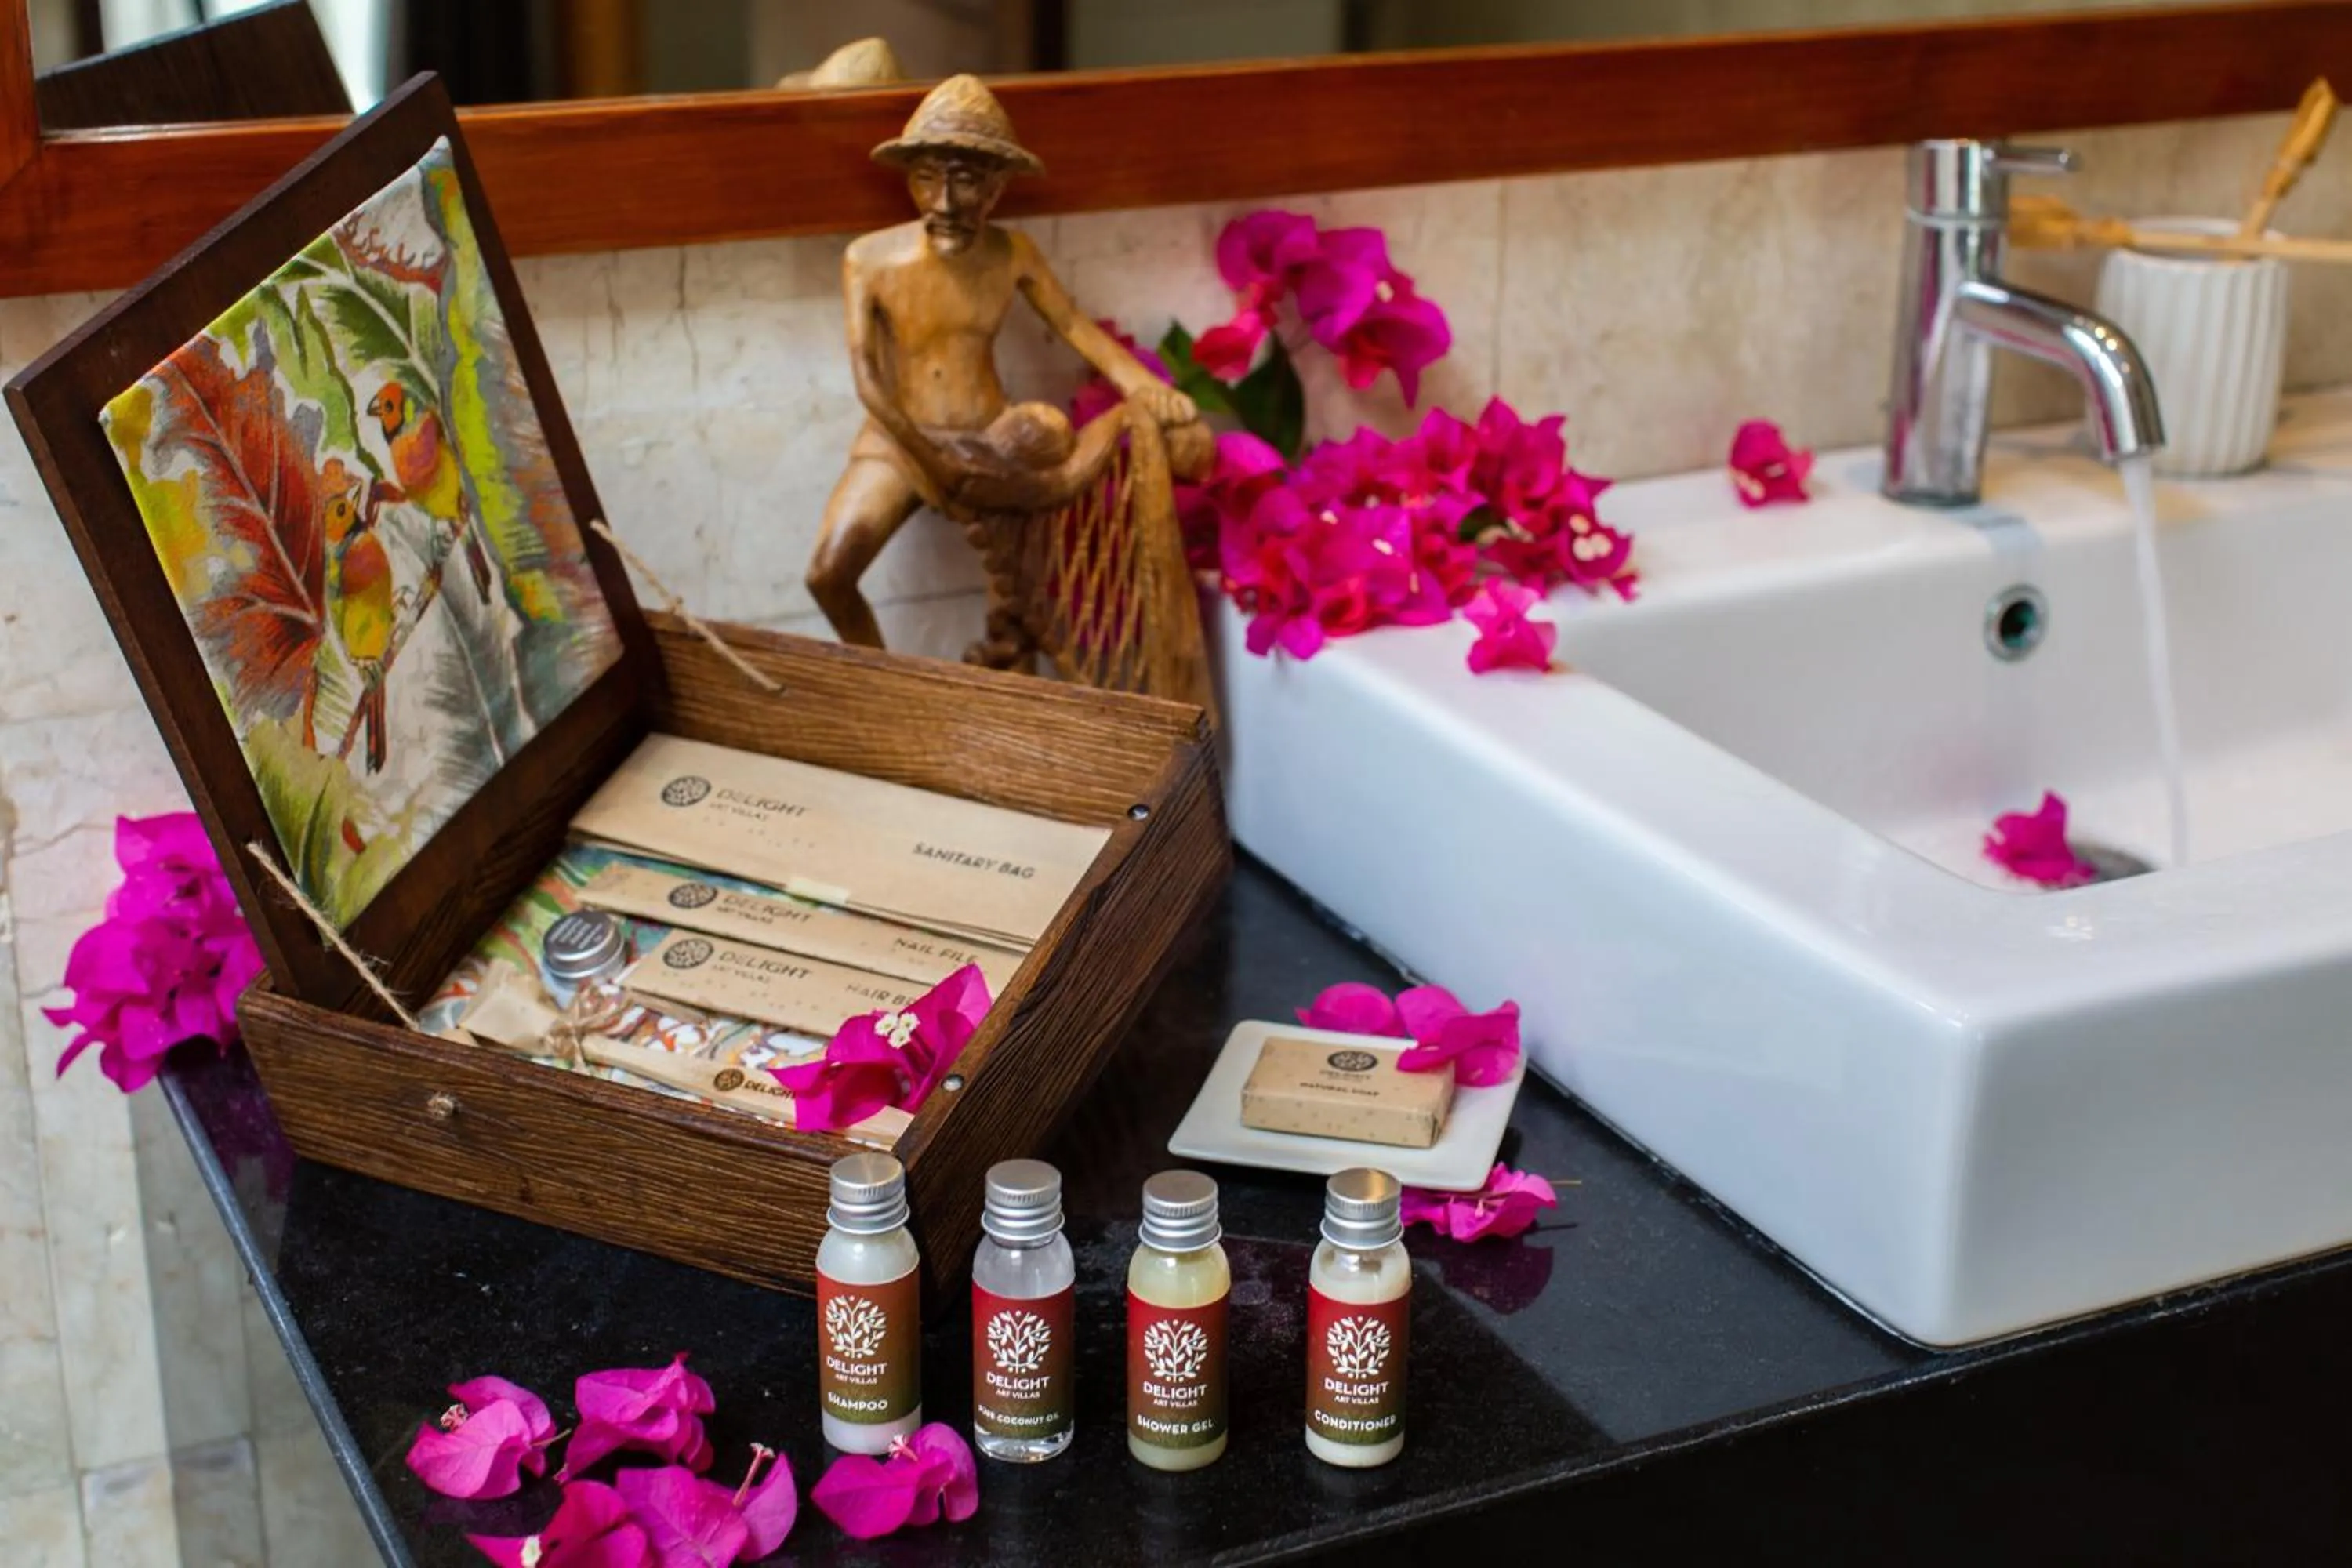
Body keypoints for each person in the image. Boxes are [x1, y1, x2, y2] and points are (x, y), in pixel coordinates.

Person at [808, 74, 1202, 648]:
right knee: (828, 574)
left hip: (993, 438)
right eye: (925, 179)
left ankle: (1007, 691)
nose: (943, 203)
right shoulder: (868, 259)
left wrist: (1142, 384)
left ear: (996, 189)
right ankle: (889, 695)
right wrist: (932, 459)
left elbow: (1071, 325)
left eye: (965, 182)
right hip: (899, 441)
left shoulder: (1012, 253)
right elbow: (868, 381)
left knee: (1020, 612)